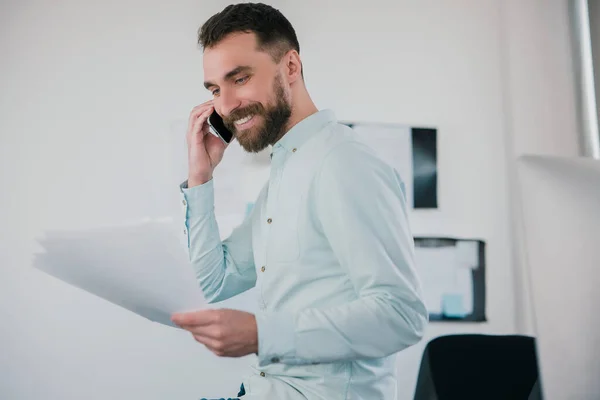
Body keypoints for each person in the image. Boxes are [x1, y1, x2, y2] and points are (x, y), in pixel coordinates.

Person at [171, 3, 428, 399]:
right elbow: (213, 282)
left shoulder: (345, 163)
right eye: (215, 90)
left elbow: (401, 315)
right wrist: (201, 179)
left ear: (290, 67)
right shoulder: (284, 174)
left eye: (239, 78)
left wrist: (262, 334)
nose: (225, 105)